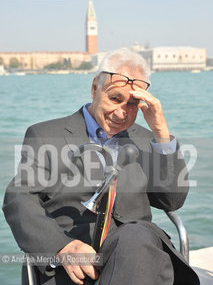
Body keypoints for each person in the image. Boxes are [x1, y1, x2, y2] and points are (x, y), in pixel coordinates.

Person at [3, 48, 199, 285]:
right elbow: (19, 198)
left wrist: (161, 134)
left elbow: (171, 201)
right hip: (74, 265)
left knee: (135, 235)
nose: (121, 112)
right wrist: (62, 247)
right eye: (114, 98)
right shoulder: (44, 135)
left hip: (140, 255)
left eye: (133, 103)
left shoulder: (150, 141)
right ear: (95, 87)